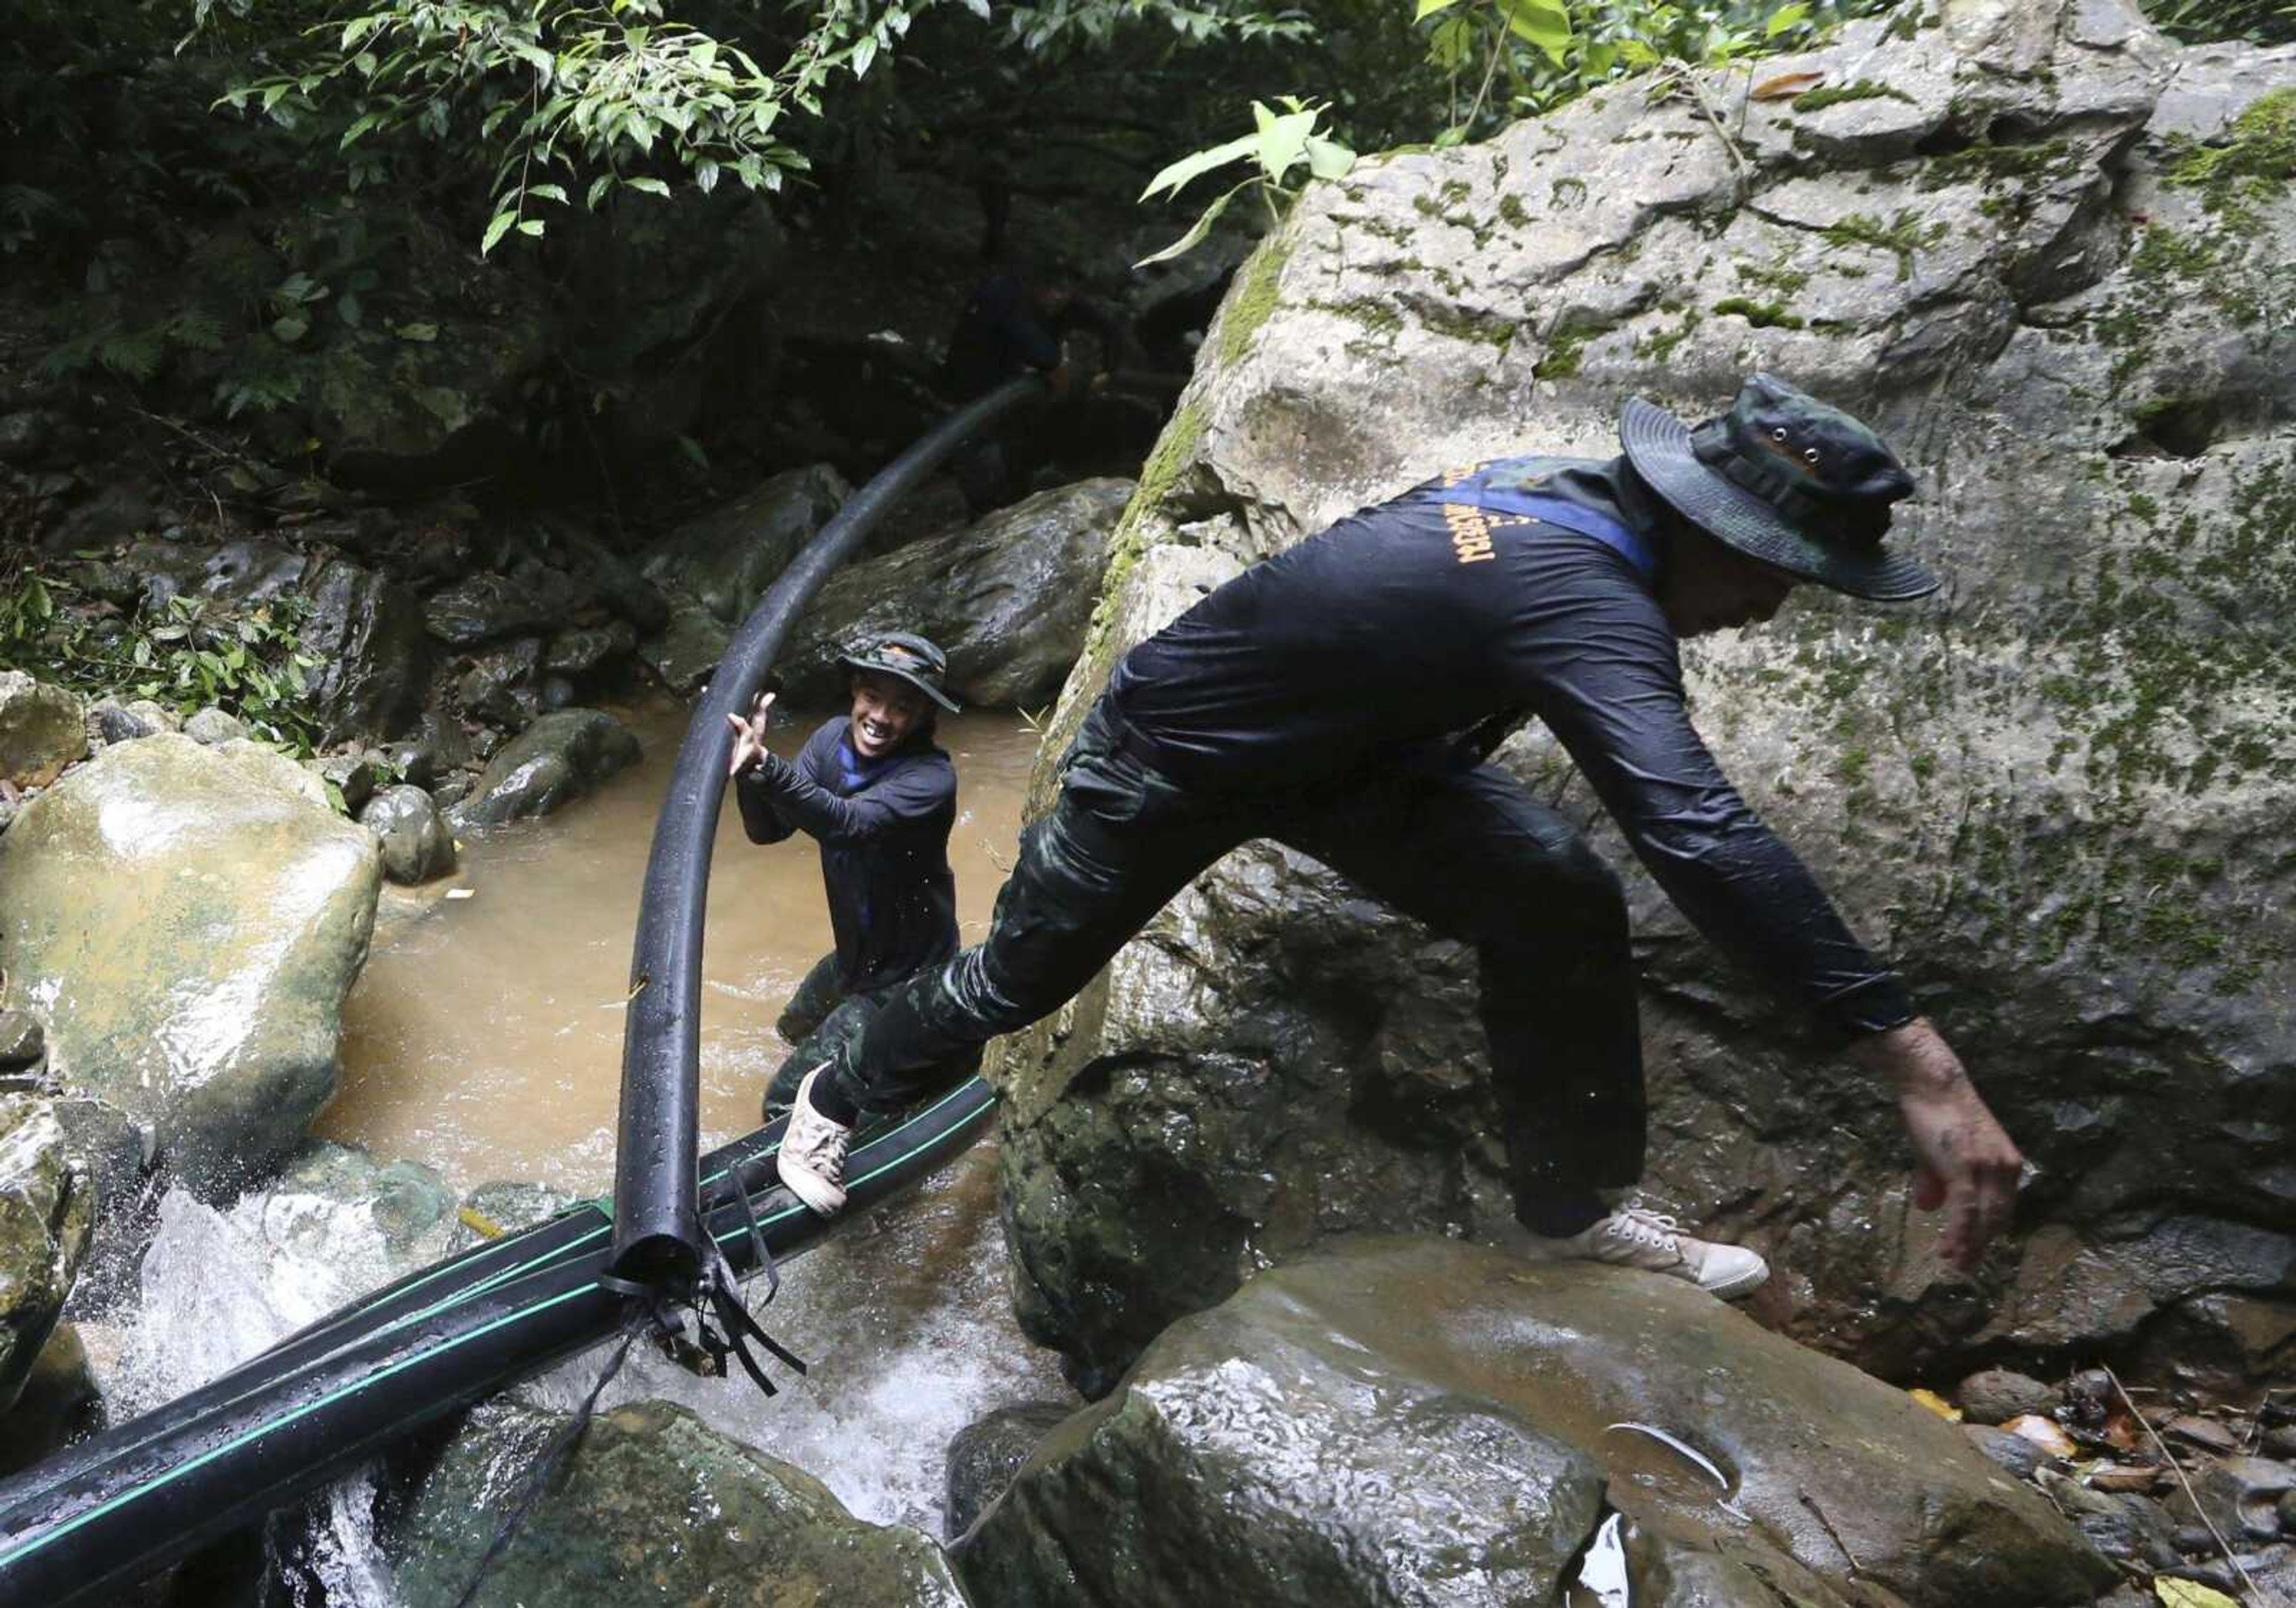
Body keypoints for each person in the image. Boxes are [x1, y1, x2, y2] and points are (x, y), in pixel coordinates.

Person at [774, 374, 2026, 1295]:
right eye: (1771, 569)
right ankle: (840, 1081)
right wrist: (1924, 1066)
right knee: (1019, 977)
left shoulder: (1574, 497)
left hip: (1345, 762)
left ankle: (1567, 1205)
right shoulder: (1578, 589)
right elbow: (1693, 826)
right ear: (1702, 524)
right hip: (1165, 756)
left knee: (1554, 887)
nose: (1766, 604)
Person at [726, 633, 978, 1122]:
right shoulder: (830, 742)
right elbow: (769, 830)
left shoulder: (928, 780)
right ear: (856, 692)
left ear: (926, 715)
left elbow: (848, 824)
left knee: (782, 1103)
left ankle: (883, 1097)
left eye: (902, 707)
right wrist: (748, 770)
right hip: (856, 959)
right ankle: (866, 1074)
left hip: (905, 977)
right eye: (873, 697)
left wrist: (769, 766)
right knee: (792, 1030)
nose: (881, 717)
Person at [941, 259, 1123, 515]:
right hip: (974, 388)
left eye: (1063, 291)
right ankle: (986, 508)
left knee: (1021, 441)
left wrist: (1108, 370)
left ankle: (1027, 483)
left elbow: (1110, 329)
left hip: (1014, 389)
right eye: (1050, 289)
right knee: (980, 456)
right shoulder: (1002, 296)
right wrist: (1056, 368)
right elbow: (1040, 351)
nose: (1056, 298)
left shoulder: (1065, 306)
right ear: (1034, 285)